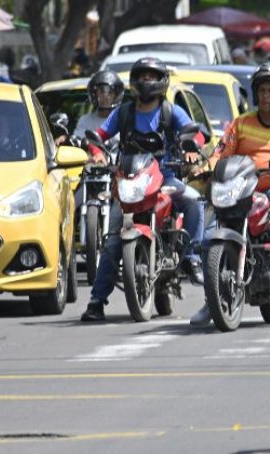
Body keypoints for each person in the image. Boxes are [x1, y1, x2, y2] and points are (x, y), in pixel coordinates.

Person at [189, 62, 270, 326]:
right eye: (261, 91)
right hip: (242, 188)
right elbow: (222, 152)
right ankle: (210, 298)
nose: (265, 96)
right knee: (209, 233)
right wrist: (205, 167)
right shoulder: (241, 123)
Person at [80, 57, 206, 322]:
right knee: (114, 238)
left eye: (152, 76)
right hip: (128, 182)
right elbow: (98, 137)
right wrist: (97, 153)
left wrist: (192, 148)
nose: (147, 81)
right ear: (135, 82)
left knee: (195, 202)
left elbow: (195, 134)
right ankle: (96, 302)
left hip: (166, 180)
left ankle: (191, 257)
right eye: (143, 76)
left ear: (161, 81)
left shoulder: (170, 111)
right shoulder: (123, 112)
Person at [74, 69, 124, 138]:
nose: (105, 96)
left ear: (115, 95)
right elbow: (77, 140)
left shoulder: (123, 121)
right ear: (95, 94)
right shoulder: (85, 121)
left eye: (110, 92)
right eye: (101, 91)